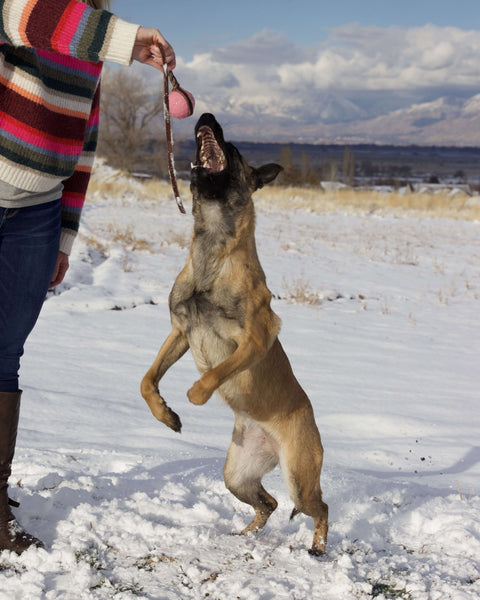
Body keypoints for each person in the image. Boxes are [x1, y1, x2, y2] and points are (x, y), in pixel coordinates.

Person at [0, 0, 176, 554]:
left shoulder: (95, 33)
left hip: (38, 214)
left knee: (6, 355)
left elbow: (85, 142)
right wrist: (130, 38)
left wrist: (65, 234)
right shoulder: (31, 8)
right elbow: (32, 17)